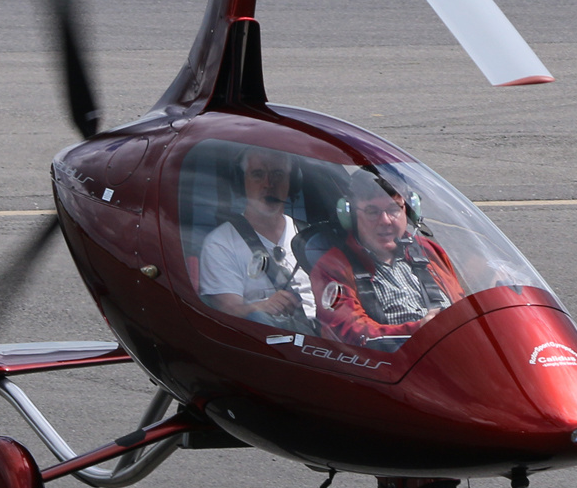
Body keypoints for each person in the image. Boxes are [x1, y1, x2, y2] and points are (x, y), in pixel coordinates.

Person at [309, 169, 463, 349]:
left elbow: (461, 306)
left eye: (393, 209)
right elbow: (350, 335)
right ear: (350, 215)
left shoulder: (429, 251)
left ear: (410, 211)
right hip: (394, 365)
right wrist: (420, 330)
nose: (385, 221)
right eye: (372, 211)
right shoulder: (333, 267)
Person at [196, 147, 315, 328]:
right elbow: (227, 313)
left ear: (292, 182)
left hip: (326, 339)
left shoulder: (311, 238)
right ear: (241, 183)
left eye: (277, 174)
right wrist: (261, 307)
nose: (268, 184)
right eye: (258, 175)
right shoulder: (221, 243)